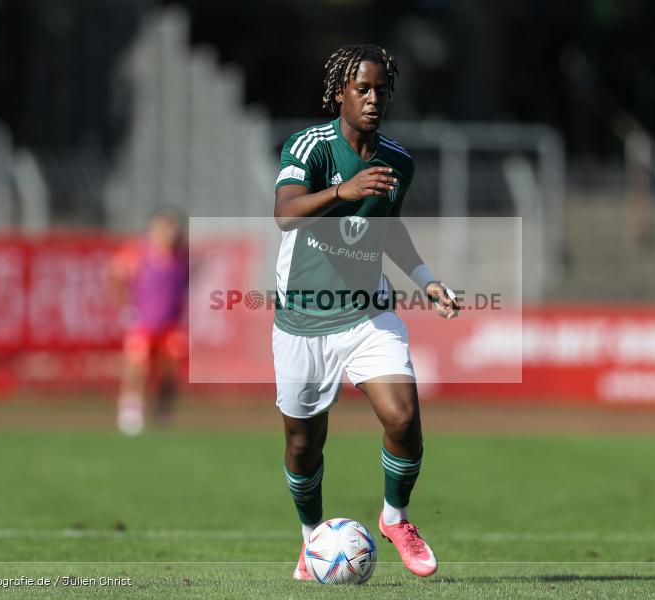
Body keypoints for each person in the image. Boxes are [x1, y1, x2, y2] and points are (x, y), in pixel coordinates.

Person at [272, 44, 459, 580]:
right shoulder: (310, 146)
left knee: (403, 417)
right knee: (303, 443)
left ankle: (395, 518)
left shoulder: (398, 160)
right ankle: (312, 539)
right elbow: (284, 213)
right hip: (302, 320)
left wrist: (426, 280)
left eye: (382, 90)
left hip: (366, 315)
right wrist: (344, 190)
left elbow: (387, 229)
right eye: (363, 89)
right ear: (340, 95)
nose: (374, 99)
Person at [109, 208, 189, 436]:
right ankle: (130, 408)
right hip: (142, 322)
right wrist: (125, 307)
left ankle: (163, 412)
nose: (169, 233)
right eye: (164, 228)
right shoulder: (137, 253)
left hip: (170, 325)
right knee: (136, 366)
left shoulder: (181, 256)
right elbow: (115, 275)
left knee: (170, 370)